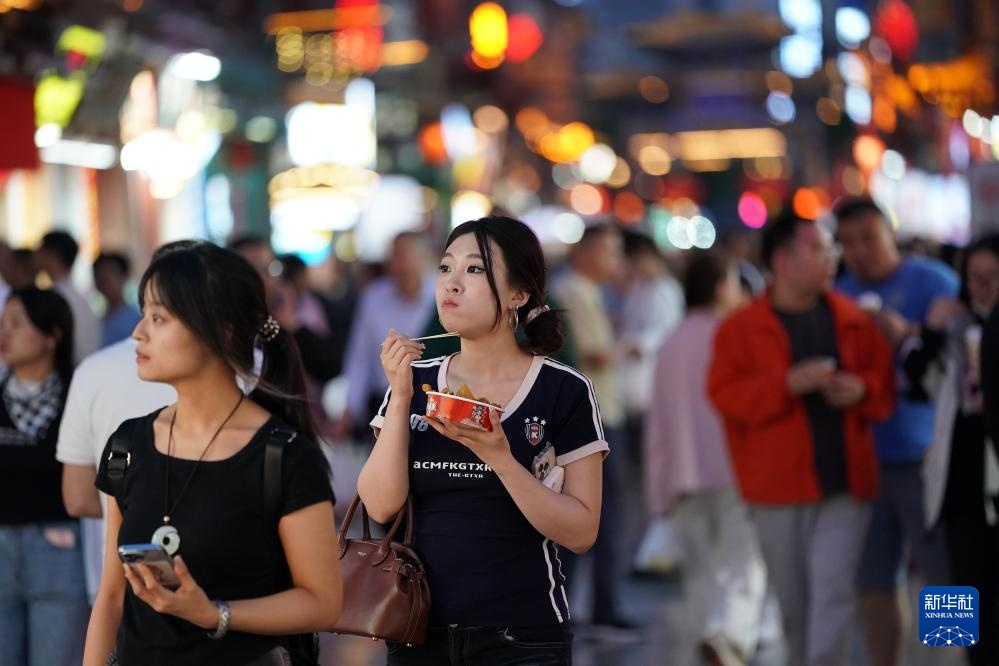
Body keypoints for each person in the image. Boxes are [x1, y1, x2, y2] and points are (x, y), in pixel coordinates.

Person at [359, 215, 607, 665]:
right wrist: (401, 395)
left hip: (524, 638)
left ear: (519, 294)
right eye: (445, 267)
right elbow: (380, 505)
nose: (451, 283)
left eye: (474, 269)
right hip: (419, 630)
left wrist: (500, 458)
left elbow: (581, 532)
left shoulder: (563, 389)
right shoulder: (414, 381)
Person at [83, 242, 342, 666]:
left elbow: (322, 603)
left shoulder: (283, 456)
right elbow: (112, 595)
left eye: (158, 318)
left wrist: (214, 613)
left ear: (219, 332)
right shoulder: (128, 444)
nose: (138, 332)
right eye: (144, 314)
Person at [708, 213, 895, 666]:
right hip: (777, 488)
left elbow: (885, 385)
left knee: (837, 595)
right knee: (796, 605)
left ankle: (947, 651)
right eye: (820, 248)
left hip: (851, 484)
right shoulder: (741, 328)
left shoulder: (853, 318)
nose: (834, 257)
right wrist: (787, 384)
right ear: (781, 259)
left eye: (833, 249)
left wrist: (862, 388)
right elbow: (725, 396)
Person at [833, 197, 957, 666]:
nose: (859, 251)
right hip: (864, 460)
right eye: (848, 243)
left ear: (891, 233)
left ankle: (952, 659)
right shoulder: (839, 294)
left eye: (869, 238)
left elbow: (961, 360)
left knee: (943, 573)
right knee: (872, 577)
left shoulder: (934, 281)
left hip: (928, 456)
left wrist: (910, 334)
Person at [646, 251, 767, 665]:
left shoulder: (670, 343)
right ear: (720, 286)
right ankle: (728, 635)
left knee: (701, 568)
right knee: (743, 560)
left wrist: (658, 491)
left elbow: (658, 424)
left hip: (682, 473)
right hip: (738, 467)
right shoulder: (735, 335)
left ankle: (708, 635)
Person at [906, 234, 999, 666]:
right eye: (975, 278)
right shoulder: (951, 326)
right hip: (956, 479)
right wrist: (930, 331)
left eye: (993, 277)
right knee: (956, 587)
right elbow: (913, 380)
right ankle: (957, 661)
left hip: (993, 475)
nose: (984, 288)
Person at [551, 223, 636, 636]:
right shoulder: (571, 291)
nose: (615, 260)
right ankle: (587, 609)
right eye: (609, 250)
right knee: (593, 515)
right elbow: (594, 356)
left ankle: (587, 607)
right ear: (585, 251)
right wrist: (628, 347)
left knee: (599, 515)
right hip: (592, 420)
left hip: (602, 416)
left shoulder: (588, 290)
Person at [0, 286, 88, 666]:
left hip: (60, 549)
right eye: (2, 323)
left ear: (53, 335)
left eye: (16, 323)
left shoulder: (79, 398)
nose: (4, 333)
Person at [339, 232, 436, 441]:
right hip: (383, 403)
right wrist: (350, 409)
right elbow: (360, 357)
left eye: (401, 256)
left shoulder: (441, 296)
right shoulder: (374, 296)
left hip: (431, 406)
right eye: (391, 257)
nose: (394, 265)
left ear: (422, 259)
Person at [35, 231, 100, 364]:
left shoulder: (55, 298)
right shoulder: (78, 297)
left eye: (41, 250)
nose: (35, 255)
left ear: (53, 255)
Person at [93, 253, 141, 348]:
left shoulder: (135, 321)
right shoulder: (98, 319)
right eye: (98, 272)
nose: (103, 276)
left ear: (124, 276)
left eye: (110, 272)